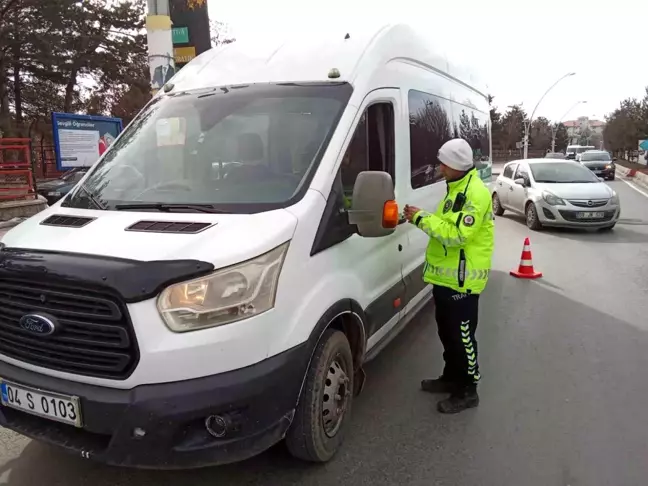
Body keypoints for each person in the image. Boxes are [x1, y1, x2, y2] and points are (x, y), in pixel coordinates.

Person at [403, 138, 494, 414]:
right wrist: (422, 216)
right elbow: (447, 224)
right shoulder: (456, 188)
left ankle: (468, 390)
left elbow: (457, 235)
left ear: (455, 165)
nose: (440, 167)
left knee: (462, 337)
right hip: (446, 279)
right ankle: (451, 377)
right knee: (447, 332)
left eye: (444, 163)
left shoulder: (475, 194)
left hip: (463, 282)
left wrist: (421, 218)